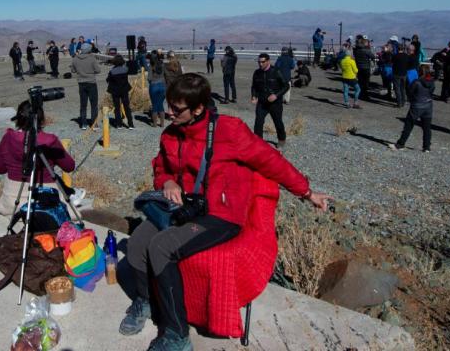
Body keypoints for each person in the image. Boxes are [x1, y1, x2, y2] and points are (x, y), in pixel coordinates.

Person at [120, 74, 332, 350]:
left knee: (161, 246)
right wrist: (167, 182)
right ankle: (147, 300)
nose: (168, 112)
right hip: (183, 209)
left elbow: (272, 162)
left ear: (198, 109)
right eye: (167, 105)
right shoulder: (171, 134)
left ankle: (177, 335)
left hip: (220, 215)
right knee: (138, 241)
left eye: (176, 108)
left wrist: (306, 192)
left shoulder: (229, 131)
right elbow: (161, 167)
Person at [0, 100, 76, 214]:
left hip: (12, 200)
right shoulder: (49, 140)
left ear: (19, 118)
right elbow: (69, 166)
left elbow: (0, 169)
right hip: (45, 199)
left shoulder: (8, 138)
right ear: (41, 119)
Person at [388, 65, 435, 153]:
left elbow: (409, 92)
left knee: (408, 126)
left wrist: (413, 100)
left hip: (417, 105)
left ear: (419, 72)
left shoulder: (416, 82)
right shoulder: (432, 82)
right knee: (427, 128)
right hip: (428, 106)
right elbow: (431, 92)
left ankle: (400, 144)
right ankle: (427, 147)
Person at [250, 53, 289, 147]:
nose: (260, 64)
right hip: (262, 103)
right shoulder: (257, 73)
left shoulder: (276, 71)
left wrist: (276, 95)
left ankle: (281, 139)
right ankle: (258, 141)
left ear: (268, 61)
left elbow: (286, 86)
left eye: (262, 62)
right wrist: (254, 96)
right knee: (258, 122)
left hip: (275, 103)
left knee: (278, 122)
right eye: (259, 62)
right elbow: (254, 86)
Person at [71, 43, 105, 129]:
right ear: (89, 50)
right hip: (91, 83)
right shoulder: (92, 58)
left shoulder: (75, 59)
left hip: (81, 83)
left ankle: (83, 124)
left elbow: (73, 70)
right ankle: (94, 124)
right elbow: (98, 70)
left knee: (83, 104)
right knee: (94, 104)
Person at [105, 55, 135, 129]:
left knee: (117, 107)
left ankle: (119, 124)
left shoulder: (112, 71)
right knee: (127, 107)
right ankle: (130, 124)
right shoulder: (125, 69)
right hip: (124, 90)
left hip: (115, 91)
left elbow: (108, 80)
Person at [392, 43, 417, 109]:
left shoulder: (395, 56)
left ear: (397, 49)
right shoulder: (406, 56)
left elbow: (392, 63)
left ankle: (399, 103)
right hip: (404, 74)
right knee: (403, 88)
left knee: (397, 89)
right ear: (404, 49)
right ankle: (403, 101)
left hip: (396, 74)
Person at [147, 51, 168, 127]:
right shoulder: (162, 64)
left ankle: (155, 124)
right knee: (161, 105)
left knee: (155, 105)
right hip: (163, 85)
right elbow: (166, 74)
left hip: (154, 86)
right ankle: (162, 124)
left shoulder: (151, 66)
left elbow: (149, 78)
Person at [339, 44, 360, 108]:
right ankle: (355, 102)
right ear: (350, 54)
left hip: (344, 77)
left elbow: (341, 69)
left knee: (346, 91)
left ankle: (347, 103)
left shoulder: (342, 61)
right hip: (352, 78)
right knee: (358, 89)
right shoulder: (352, 61)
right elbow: (356, 70)